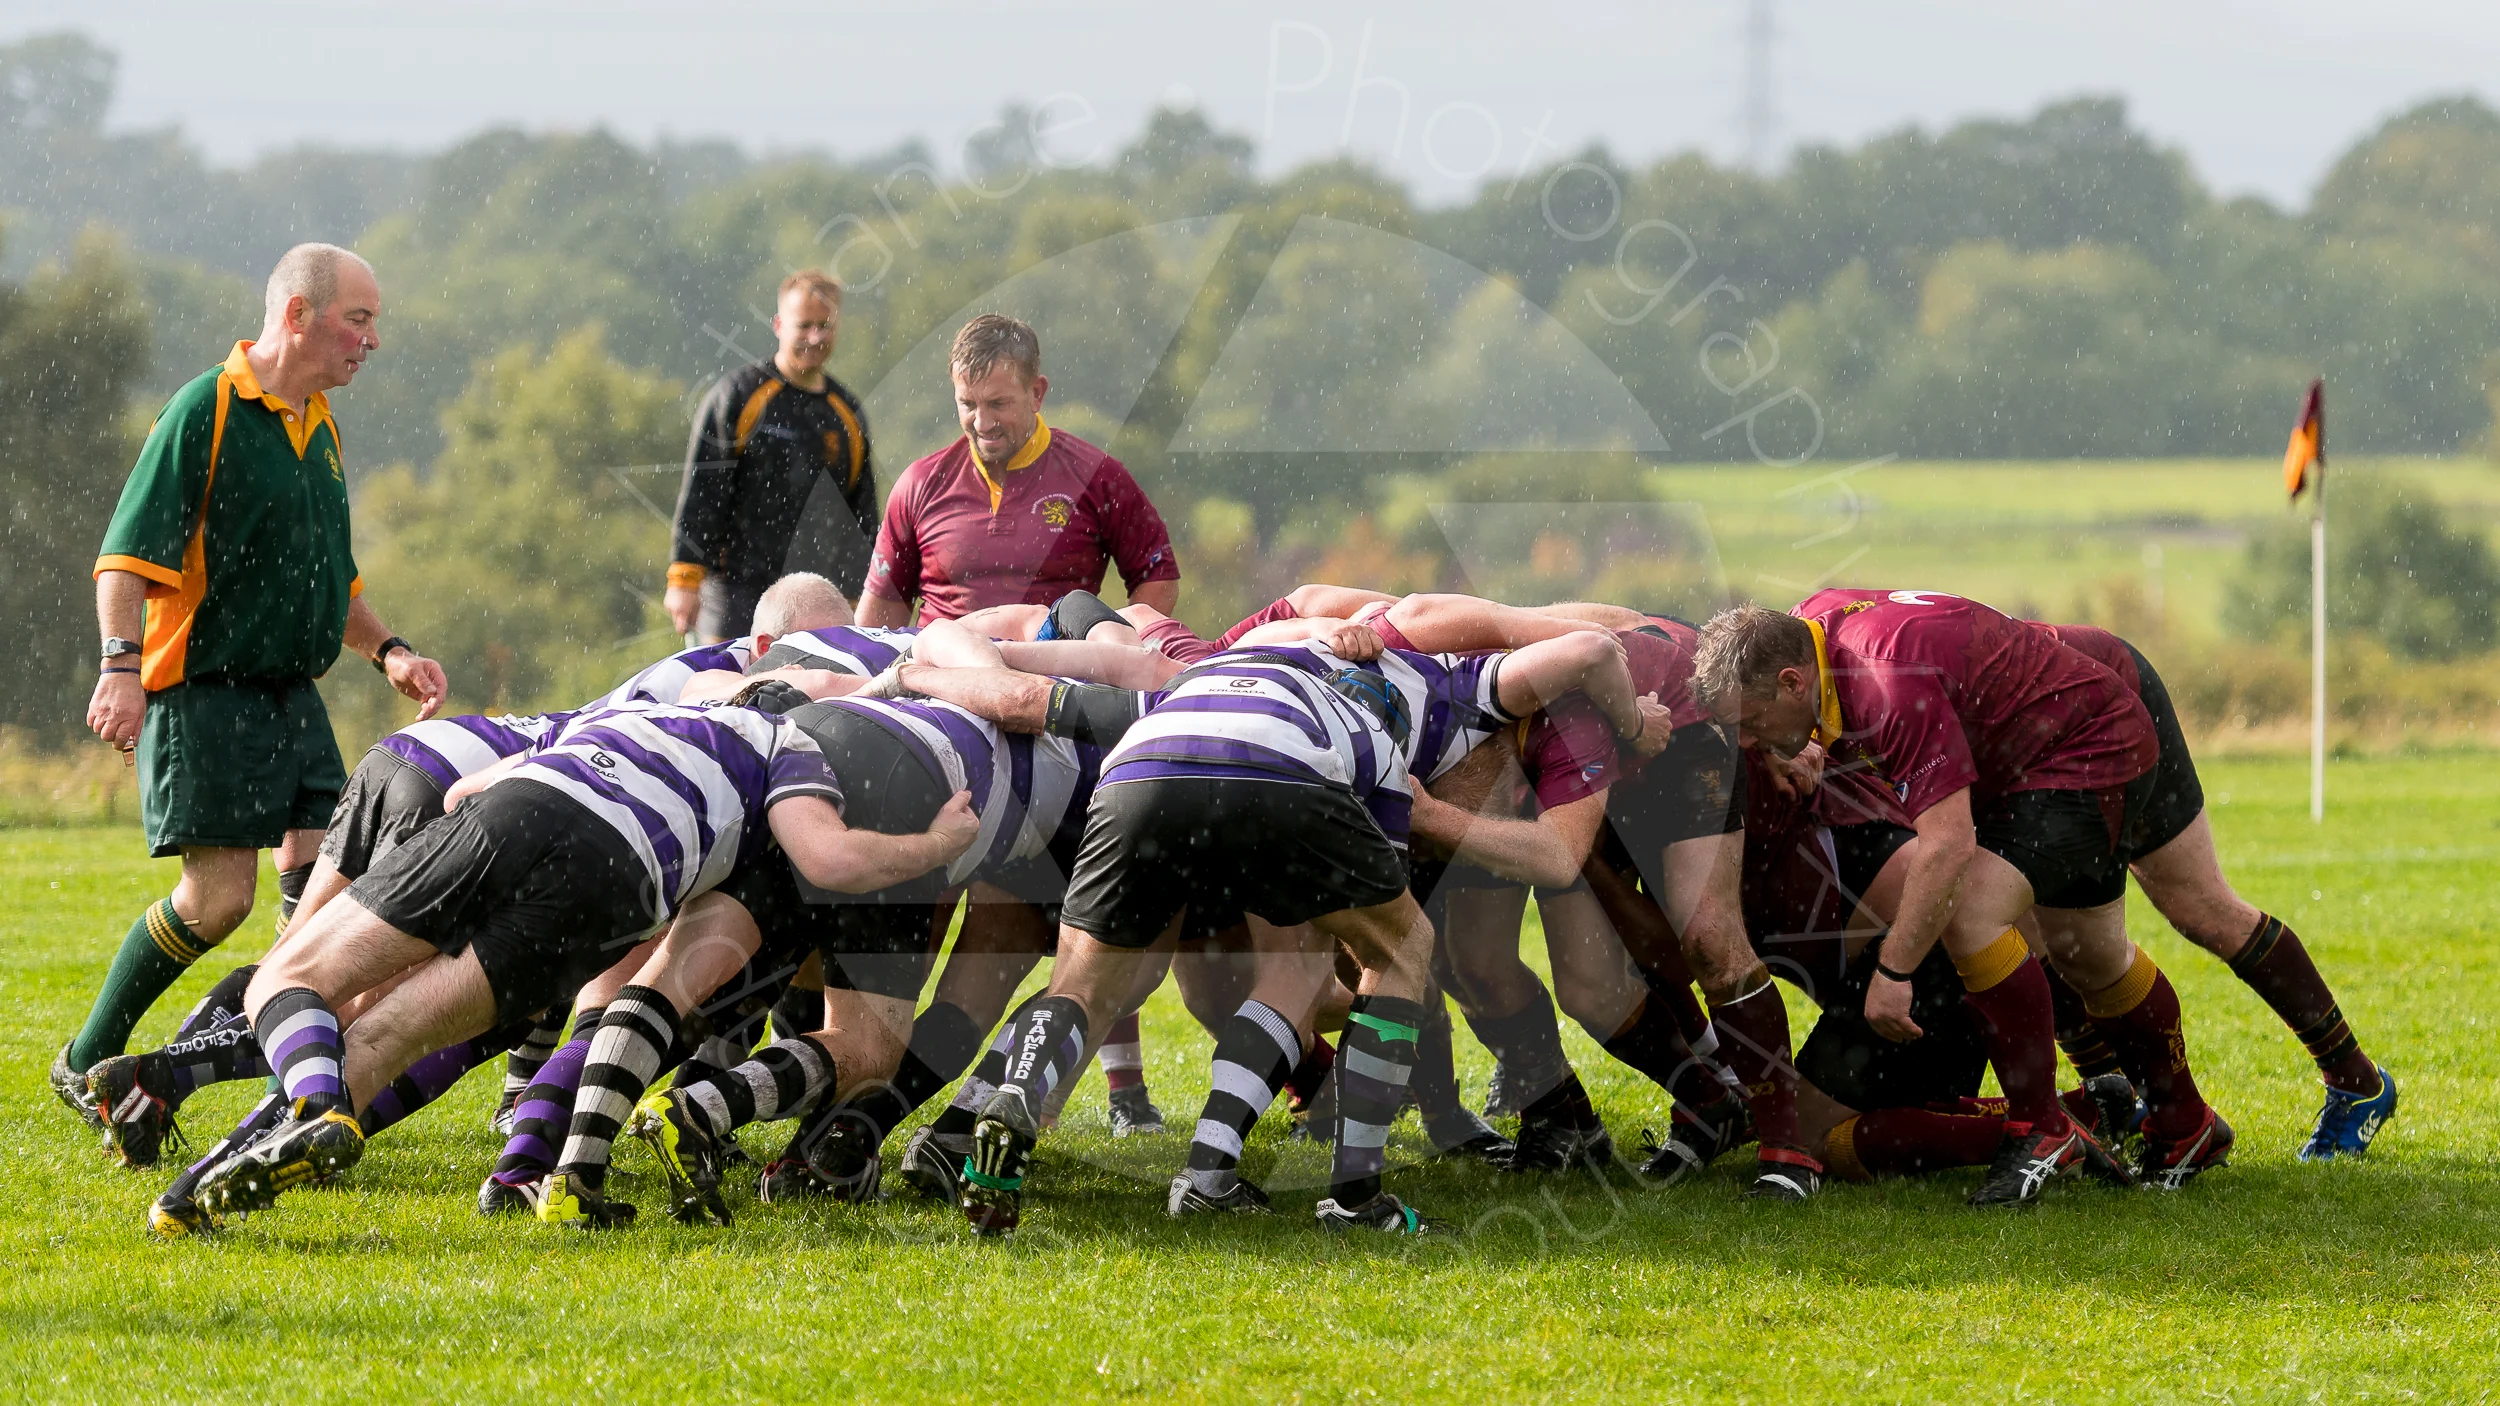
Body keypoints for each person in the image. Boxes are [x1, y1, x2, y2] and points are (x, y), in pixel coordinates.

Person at [58, 243, 449, 1130]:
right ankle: (87, 1060)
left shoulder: (320, 426)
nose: (373, 339)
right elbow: (123, 560)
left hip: (289, 698)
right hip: (206, 693)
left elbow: (332, 576)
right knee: (220, 900)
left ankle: (288, 1090)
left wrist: (388, 647)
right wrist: (119, 669)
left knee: (327, 903)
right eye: (359, 318)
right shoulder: (208, 408)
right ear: (297, 315)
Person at [1694, 592, 2155, 1207]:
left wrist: (1894, 972)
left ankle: (2063, 1123)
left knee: (1814, 1134)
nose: (1747, 742)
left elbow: (1952, 868)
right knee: (1816, 1119)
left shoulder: (1865, 718)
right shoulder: (1810, 674)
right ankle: (2075, 1112)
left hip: (1921, 975)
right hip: (1904, 971)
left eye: (1751, 723)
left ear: (1790, 683)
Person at [858, 314, 1182, 1132]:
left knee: (1029, 938)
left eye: (999, 403)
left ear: (1038, 392)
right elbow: (878, 615)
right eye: (967, 403)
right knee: (908, 929)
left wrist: (1115, 650)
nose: (982, 421)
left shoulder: (1096, 476)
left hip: (1051, 736)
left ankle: (986, 1106)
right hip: (939, 733)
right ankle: (856, 1098)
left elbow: (1155, 582)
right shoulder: (922, 484)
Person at [666, 271, 876, 643]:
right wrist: (684, 578)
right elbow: (703, 491)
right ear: (779, 324)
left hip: (813, 596)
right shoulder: (739, 395)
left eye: (824, 326)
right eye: (805, 325)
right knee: (728, 694)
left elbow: (860, 516)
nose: (815, 337)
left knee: (807, 696)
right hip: (734, 591)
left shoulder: (846, 413)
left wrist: (863, 594)